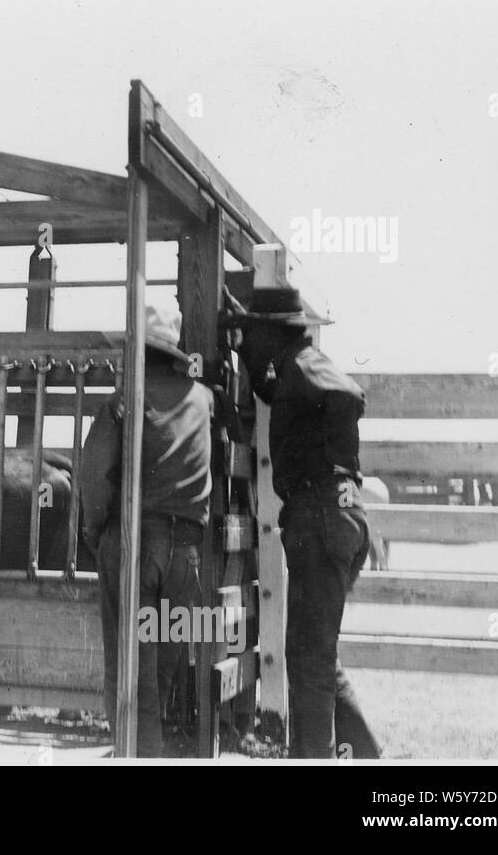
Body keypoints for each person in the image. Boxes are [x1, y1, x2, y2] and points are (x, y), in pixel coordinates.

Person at [226, 286, 380, 759]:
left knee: (309, 658)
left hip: (321, 518)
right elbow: (277, 390)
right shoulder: (295, 368)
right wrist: (244, 345)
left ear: (273, 333)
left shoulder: (305, 367)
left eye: (255, 332)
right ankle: (367, 755)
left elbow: (347, 394)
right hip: (334, 517)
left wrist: (330, 469)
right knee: (317, 652)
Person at [79, 302, 213, 757]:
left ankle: (136, 755)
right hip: (186, 554)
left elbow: (95, 474)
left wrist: (95, 530)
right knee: (162, 668)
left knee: (134, 672)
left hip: (135, 543)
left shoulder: (125, 401)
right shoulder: (201, 399)